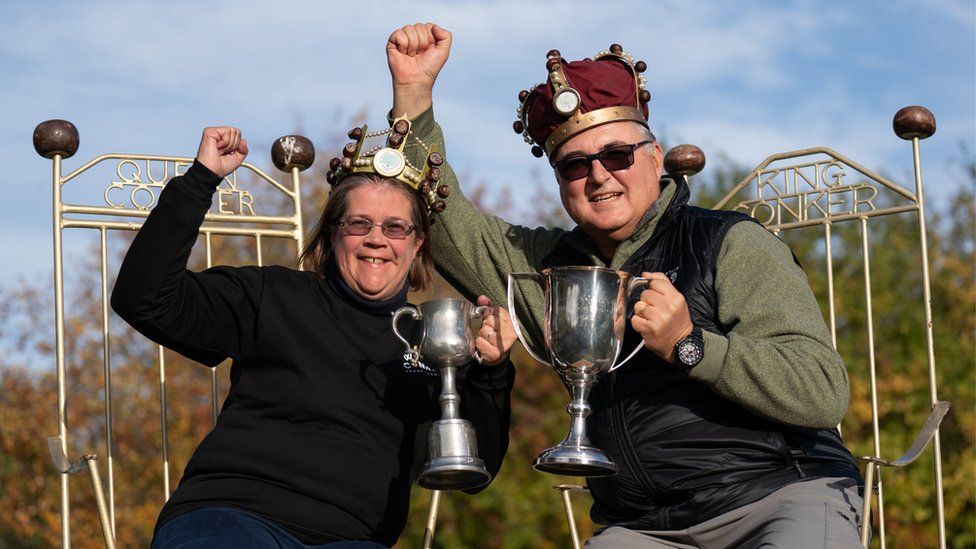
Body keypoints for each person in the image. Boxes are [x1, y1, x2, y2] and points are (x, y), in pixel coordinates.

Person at [385, 23, 866, 548]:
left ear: (656, 158)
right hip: (643, 528)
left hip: (778, 496)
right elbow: (445, 219)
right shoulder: (547, 268)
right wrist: (414, 98)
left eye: (617, 154)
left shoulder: (729, 243)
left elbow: (822, 393)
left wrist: (691, 345)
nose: (598, 175)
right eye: (574, 165)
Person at [111, 124, 517, 547]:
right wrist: (201, 180)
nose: (377, 239)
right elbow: (143, 299)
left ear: (417, 244)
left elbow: (476, 473)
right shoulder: (273, 296)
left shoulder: (433, 342)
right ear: (332, 233)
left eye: (395, 228)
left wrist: (492, 371)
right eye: (359, 224)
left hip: (350, 538)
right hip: (231, 516)